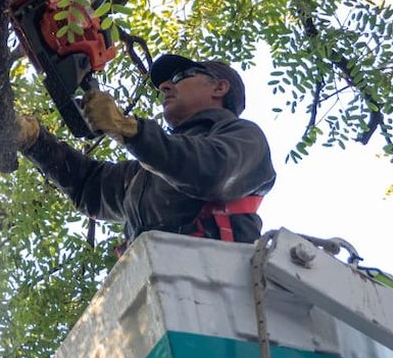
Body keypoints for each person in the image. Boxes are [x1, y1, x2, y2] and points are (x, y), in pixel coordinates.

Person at [16, 54, 276, 245]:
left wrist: (130, 130)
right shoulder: (147, 173)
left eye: (180, 77)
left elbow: (212, 171)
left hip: (220, 289)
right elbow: (89, 186)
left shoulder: (244, 137)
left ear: (219, 88)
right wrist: (35, 142)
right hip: (162, 290)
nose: (165, 86)